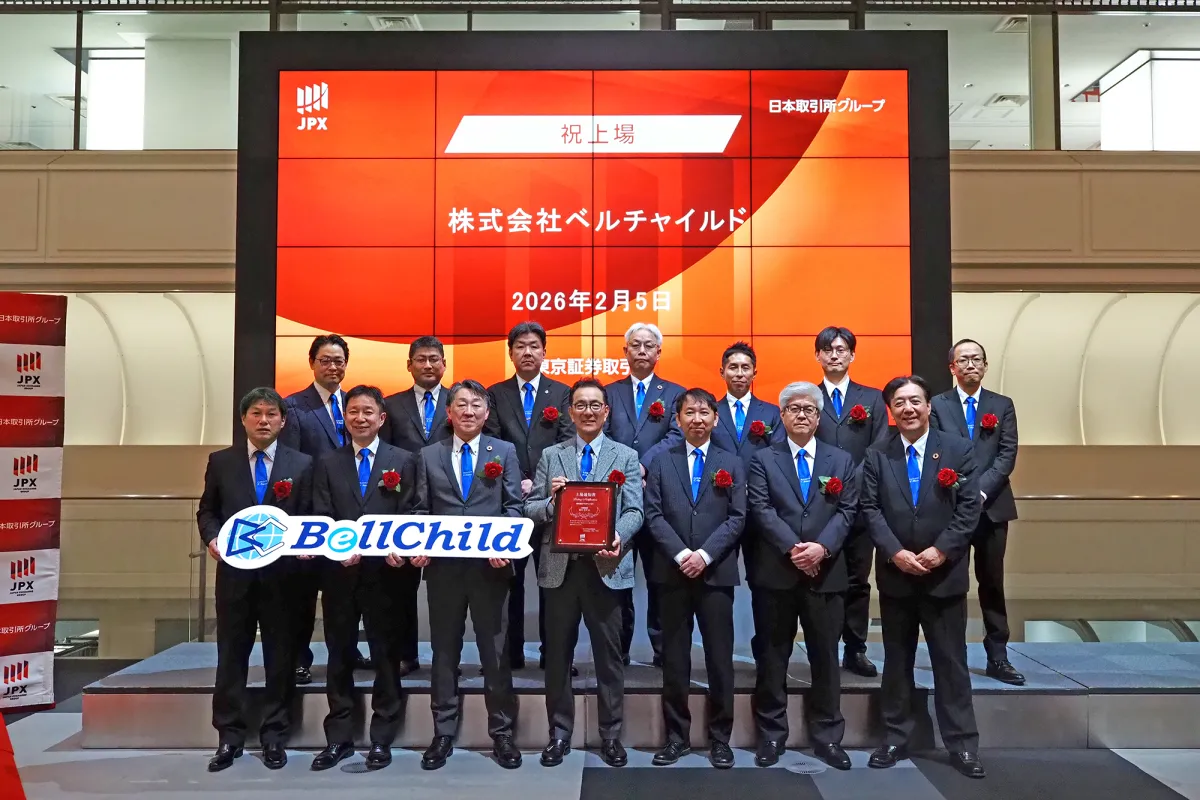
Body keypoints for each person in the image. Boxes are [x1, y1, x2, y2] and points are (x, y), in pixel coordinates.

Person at [861, 375, 985, 779]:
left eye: (915, 401)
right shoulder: (877, 454)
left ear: (929, 406)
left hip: (943, 577)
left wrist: (940, 550)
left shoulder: (958, 449)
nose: (908, 409)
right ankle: (895, 737)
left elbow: (969, 508)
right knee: (897, 663)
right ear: (890, 411)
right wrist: (895, 552)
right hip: (896, 576)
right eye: (899, 402)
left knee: (951, 664)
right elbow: (870, 509)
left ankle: (962, 745)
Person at [524, 378, 643, 769]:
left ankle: (611, 735)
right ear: (570, 412)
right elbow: (531, 509)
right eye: (580, 405)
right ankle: (559, 734)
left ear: (606, 412)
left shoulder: (626, 456)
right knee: (557, 656)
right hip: (560, 570)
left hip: (606, 568)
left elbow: (635, 511)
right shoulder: (551, 455)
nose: (588, 411)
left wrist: (618, 536)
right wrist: (551, 502)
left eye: (595, 405)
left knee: (609, 659)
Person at [410, 380, 524, 771]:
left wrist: (505, 544)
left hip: (490, 570)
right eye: (461, 404)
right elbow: (421, 510)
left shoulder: (504, 452)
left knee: (496, 653)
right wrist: (420, 543)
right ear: (449, 412)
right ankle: (442, 732)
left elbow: (513, 507)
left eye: (476, 404)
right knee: (444, 652)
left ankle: (502, 733)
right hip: (444, 572)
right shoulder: (429, 455)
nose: (469, 411)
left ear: (487, 413)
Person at [197, 387, 312, 772]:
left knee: (281, 657)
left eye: (271, 414)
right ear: (243, 419)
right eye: (256, 413)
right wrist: (212, 538)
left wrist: (307, 545)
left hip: (284, 579)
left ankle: (275, 735)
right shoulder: (221, 461)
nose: (264, 420)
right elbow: (207, 511)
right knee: (231, 656)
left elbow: (311, 515)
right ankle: (229, 737)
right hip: (235, 578)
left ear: (283, 420)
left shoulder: (302, 464)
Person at [746, 382, 858, 770]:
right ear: (781, 415)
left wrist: (820, 549)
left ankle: (827, 736)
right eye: (793, 408)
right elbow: (761, 509)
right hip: (776, 573)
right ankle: (771, 735)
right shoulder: (763, 459)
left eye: (809, 409)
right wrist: (795, 549)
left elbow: (847, 510)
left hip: (826, 574)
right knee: (772, 656)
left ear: (819, 416)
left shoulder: (840, 460)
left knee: (825, 657)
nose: (801, 415)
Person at [309, 385, 418, 771]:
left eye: (368, 412)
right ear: (345, 417)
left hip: (385, 576)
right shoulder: (327, 462)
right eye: (353, 411)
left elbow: (411, 511)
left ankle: (381, 738)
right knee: (339, 656)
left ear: (381, 418)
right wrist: (336, 548)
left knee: (386, 657)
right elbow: (321, 513)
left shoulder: (403, 460)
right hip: (339, 575)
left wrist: (400, 545)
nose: (360, 418)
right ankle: (338, 737)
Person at [644, 388, 746, 769]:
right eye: (690, 413)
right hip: (672, 573)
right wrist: (681, 554)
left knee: (720, 659)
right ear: (678, 419)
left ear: (716, 419)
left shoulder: (731, 462)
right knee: (674, 660)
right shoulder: (661, 461)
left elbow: (737, 517)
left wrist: (703, 555)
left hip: (715, 573)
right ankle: (677, 738)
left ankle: (720, 738)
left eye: (705, 413)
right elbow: (653, 514)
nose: (697, 419)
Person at [931, 339, 1023, 685]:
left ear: (985, 366)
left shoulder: (1002, 405)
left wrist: (980, 490)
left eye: (977, 359)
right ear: (952, 367)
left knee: (992, 582)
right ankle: (952, 656)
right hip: (950, 508)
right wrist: (964, 492)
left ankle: (998, 656)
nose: (971, 364)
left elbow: (1006, 454)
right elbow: (936, 450)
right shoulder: (938, 405)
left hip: (992, 508)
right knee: (951, 583)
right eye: (963, 360)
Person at [278, 335, 367, 683]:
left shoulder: (354, 404)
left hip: (349, 513)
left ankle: (347, 651)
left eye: (339, 361)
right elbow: (289, 463)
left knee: (346, 593)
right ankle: (299, 658)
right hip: (310, 514)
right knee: (302, 593)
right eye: (325, 360)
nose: (333, 367)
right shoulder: (295, 406)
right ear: (312, 363)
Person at [485, 321, 573, 670]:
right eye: (520, 346)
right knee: (510, 581)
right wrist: (517, 481)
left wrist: (537, 484)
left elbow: (567, 442)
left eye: (534, 346)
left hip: (552, 504)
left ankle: (555, 655)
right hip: (509, 502)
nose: (527, 352)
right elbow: (492, 442)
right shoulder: (495, 393)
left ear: (544, 352)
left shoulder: (561, 393)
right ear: (510, 353)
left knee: (553, 582)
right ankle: (511, 655)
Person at [604, 322, 685, 667]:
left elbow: (677, 435)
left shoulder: (675, 394)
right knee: (618, 578)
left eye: (648, 345)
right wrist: (626, 465)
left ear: (658, 352)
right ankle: (618, 650)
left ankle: (664, 651)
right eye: (635, 345)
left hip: (658, 500)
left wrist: (643, 465)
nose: (641, 350)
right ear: (625, 352)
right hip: (618, 500)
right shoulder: (609, 393)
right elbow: (602, 433)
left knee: (660, 579)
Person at [812, 326, 888, 678]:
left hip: (861, 506)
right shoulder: (808, 396)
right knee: (825, 580)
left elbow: (879, 447)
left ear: (852, 355)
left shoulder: (871, 398)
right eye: (828, 349)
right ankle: (825, 647)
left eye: (841, 349)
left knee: (858, 579)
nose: (835, 355)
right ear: (818, 356)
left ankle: (855, 649)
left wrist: (850, 484)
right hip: (819, 505)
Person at [380, 335, 454, 676]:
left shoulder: (459, 401)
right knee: (402, 587)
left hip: (449, 504)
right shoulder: (392, 405)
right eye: (421, 359)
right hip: (406, 505)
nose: (428, 365)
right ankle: (405, 654)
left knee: (448, 590)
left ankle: (447, 659)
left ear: (444, 364)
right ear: (409, 365)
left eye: (434, 359)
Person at [710, 341, 783, 465]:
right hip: (720, 476)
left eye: (745, 368)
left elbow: (778, 454)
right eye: (733, 367)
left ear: (754, 373)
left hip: (759, 476)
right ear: (722, 372)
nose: (739, 374)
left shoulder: (772, 413)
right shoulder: (711, 412)